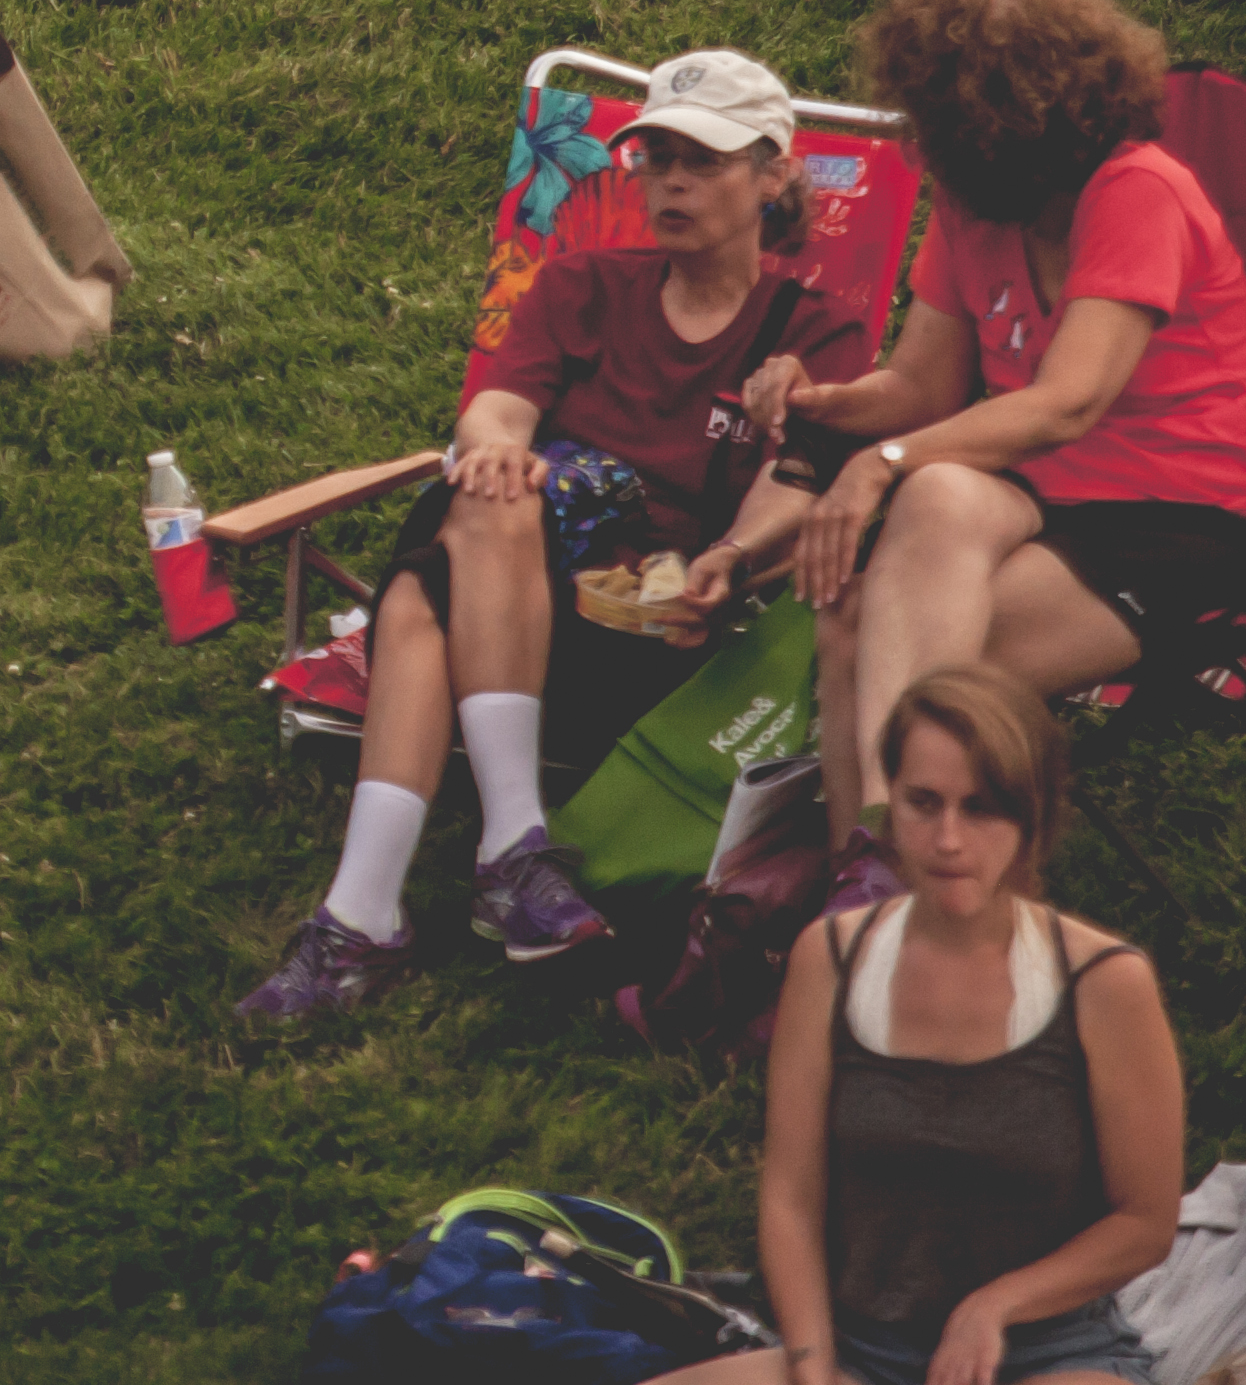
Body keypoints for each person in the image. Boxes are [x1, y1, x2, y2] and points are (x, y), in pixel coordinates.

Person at [236, 50, 876, 1025]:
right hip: (534, 610)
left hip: (670, 644)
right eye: (655, 157)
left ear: (775, 173)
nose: (669, 182)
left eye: (700, 161)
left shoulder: (814, 335)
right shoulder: (582, 285)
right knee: (499, 494)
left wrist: (729, 564)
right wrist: (498, 449)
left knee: (418, 599)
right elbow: (496, 411)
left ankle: (368, 914)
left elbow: (796, 493)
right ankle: (508, 852)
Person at [773, 0, 1246, 897]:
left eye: (934, 132)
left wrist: (881, 463)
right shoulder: (972, 210)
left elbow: (1066, 403)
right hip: (1036, 494)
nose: (919, 159)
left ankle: (890, 870)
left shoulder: (1136, 192)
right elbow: (921, 391)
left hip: (1172, 520)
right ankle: (870, 878)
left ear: (996, 132)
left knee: (919, 668)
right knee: (905, 546)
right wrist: (826, 406)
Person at [672, 671, 1182, 1385]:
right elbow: (791, 1196)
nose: (948, 839)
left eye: (982, 810)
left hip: (1044, 1350)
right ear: (890, 804)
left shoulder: (1103, 983)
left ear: (1033, 818)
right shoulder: (833, 958)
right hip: (858, 1343)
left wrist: (995, 1306)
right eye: (923, 803)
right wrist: (814, 1369)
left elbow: (1146, 1222)